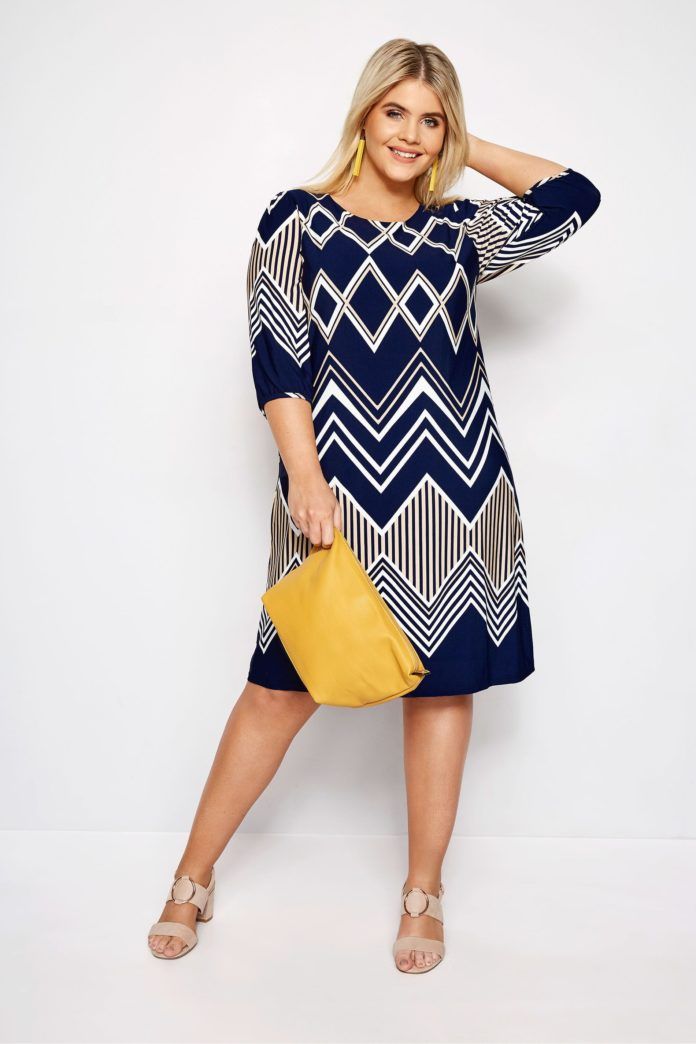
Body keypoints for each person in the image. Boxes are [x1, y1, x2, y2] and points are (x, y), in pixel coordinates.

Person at [148, 37, 601, 973]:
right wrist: (305, 478)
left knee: (442, 691)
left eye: (431, 119)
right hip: (337, 490)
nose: (411, 133)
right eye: (396, 111)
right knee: (278, 689)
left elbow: (573, 197)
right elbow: (277, 356)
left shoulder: (459, 232)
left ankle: (423, 893)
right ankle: (193, 875)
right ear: (363, 113)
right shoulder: (298, 219)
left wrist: (462, 146)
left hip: (460, 495)